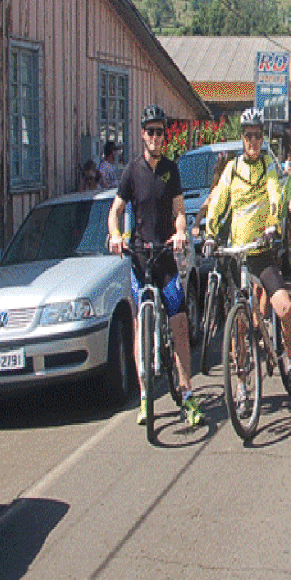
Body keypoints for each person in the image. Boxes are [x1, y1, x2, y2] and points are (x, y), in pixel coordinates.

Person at [108, 104, 204, 428]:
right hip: (139, 258)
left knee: (178, 323)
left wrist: (179, 233)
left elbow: (179, 210)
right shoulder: (130, 171)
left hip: (164, 257)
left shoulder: (171, 169)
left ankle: (188, 395)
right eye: (149, 131)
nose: (155, 137)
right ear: (142, 135)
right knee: (140, 325)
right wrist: (115, 235)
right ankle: (146, 395)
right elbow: (116, 210)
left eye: (160, 132)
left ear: (165, 136)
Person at [203, 109, 291, 401]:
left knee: (284, 308)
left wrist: (273, 222)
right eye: (248, 135)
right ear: (242, 137)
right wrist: (210, 234)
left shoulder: (268, 166)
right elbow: (218, 203)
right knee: (240, 324)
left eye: (258, 135)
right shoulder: (232, 170)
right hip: (238, 256)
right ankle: (242, 382)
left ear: (263, 138)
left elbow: (275, 193)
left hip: (262, 251)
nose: (253, 141)